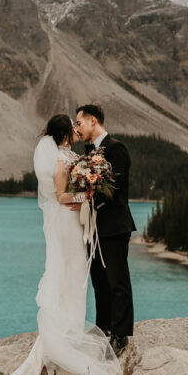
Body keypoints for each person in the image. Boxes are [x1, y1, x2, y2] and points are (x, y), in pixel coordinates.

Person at [8, 114, 124, 375]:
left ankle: (71, 325)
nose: (76, 129)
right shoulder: (60, 158)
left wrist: (88, 186)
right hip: (65, 220)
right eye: (73, 126)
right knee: (68, 270)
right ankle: (65, 331)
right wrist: (86, 195)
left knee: (75, 270)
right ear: (64, 132)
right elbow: (61, 195)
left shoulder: (67, 154)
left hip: (71, 220)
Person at [75, 104, 136, 357]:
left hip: (113, 226)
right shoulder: (88, 152)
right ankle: (104, 329)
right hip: (95, 227)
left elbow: (117, 187)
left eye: (79, 123)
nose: (77, 129)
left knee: (117, 281)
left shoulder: (116, 148)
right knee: (99, 281)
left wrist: (92, 198)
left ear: (92, 121)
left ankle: (121, 335)